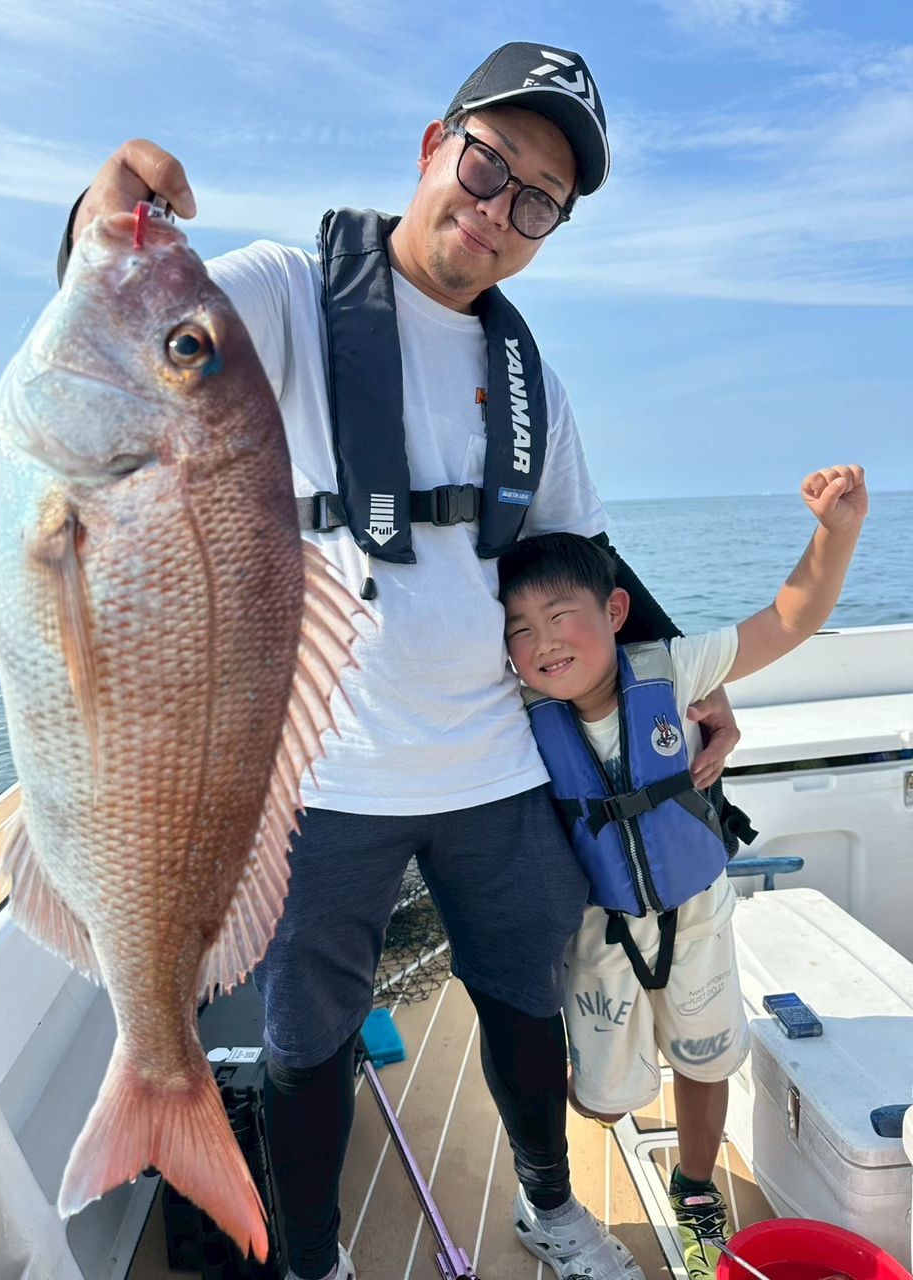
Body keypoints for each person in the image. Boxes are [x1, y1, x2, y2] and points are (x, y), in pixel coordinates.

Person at [59, 42, 744, 1280]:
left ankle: (551, 1204)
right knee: (305, 1037)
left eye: (539, 199)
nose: (499, 209)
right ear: (436, 143)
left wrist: (686, 681)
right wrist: (97, 213)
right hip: (320, 775)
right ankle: (314, 1255)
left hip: (492, 761)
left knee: (524, 1004)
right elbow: (125, 322)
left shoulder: (529, 372)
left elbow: (585, 560)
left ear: (551, 229)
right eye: (489, 165)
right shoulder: (283, 289)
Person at [497, 464, 868, 1278]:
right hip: (600, 933)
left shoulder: (677, 669)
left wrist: (833, 535)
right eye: (519, 628)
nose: (544, 641)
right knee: (602, 1101)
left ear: (616, 611)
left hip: (696, 914)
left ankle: (695, 1186)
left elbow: (787, 621)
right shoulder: (515, 716)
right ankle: (611, 1088)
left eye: (561, 616)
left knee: (705, 1064)